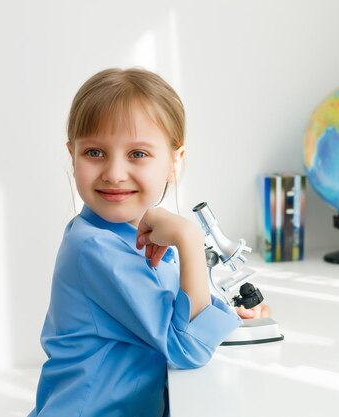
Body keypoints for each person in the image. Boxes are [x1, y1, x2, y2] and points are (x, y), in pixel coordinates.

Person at [29, 68, 269, 417]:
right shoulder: (95, 249)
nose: (113, 173)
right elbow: (187, 347)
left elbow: (171, 312)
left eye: (137, 154)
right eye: (94, 152)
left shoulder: (133, 234)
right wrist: (188, 237)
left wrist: (231, 317)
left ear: (175, 160)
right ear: (73, 153)